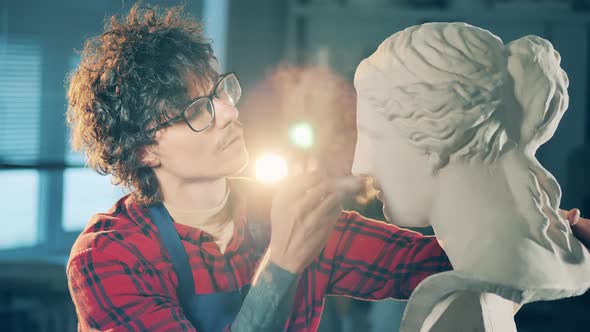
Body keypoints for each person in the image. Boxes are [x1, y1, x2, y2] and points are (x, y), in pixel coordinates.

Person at [64, 4, 590, 332]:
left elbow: (432, 262)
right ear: (142, 152)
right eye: (199, 110)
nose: (228, 112)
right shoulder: (108, 256)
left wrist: (549, 233)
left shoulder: (286, 211)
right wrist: (284, 264)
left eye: (221, 91)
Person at [351, 22, 590, 331]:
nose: (359, 165)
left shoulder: (467, 301)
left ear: (438, 132)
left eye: (375, 136)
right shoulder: (495, 275)